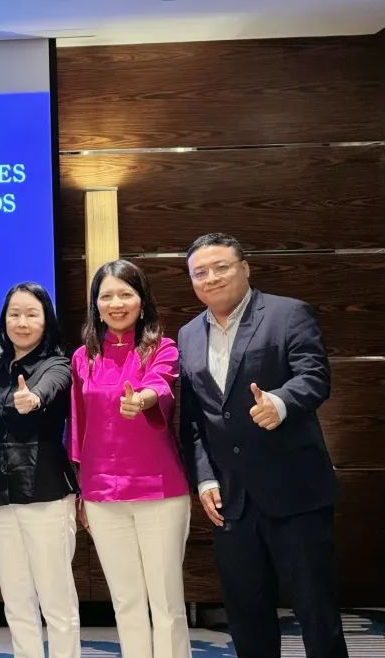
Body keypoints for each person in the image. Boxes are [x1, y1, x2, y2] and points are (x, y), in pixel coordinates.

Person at [178, 233, 348, 658]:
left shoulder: (288, 314)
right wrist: (204, 479)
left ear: (245, 268)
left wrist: (281, 402)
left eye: (221, 267)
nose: (211, 278)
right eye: (200, 272)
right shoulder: (187, 335)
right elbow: (194, 419)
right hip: (231, 502)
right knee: (246, 618)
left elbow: (314, 376)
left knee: (317, 614)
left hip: (295, 493)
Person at [69, 259, 191, 658]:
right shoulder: (83, 357)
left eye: (126, 294)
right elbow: (79, 427)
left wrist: (142, 400)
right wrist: (82, 490)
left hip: (159, 488)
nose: (116, 303)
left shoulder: (161, 348)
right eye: (106, 296)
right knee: (126, 601)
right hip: (101, 493)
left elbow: (160, 384)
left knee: (166, 603)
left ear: (142, 301)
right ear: (96, 304)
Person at [0, 282, 80, 658]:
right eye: (14, 314)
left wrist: (32, 398)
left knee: (56, 601)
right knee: (16, 600)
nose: (22, 322)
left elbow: (50, 388)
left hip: (46, 493)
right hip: (0, 498)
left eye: (32, 314)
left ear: (46, 320)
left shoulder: (58, 364)